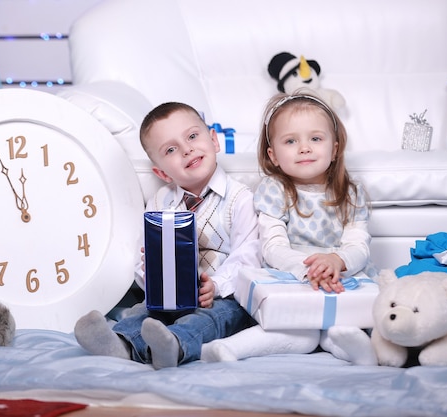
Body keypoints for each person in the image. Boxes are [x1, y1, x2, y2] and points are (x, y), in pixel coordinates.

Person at [74, 102, 261, 369]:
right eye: (171, 149)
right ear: (161, 172)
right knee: (144, 311)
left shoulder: (239, 199)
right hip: (171, 296)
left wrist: (216, 286)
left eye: (193, 136)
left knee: (209, 319)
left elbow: (248, 256)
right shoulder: (160, 202)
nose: (187, 149)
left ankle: (174, 344)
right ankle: (121, 343)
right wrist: (151, 272)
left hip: (222, 299)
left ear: (214, 141)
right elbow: (143, 259)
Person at [202, 90, 377, 365]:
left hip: (340, 278)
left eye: (315, 139)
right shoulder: (274, 191)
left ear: (334, 149)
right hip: (294, 279)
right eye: (291, 141)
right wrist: (310, 268)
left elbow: (358, 244)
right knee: (302, 334)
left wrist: (336, 261)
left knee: (342, 323)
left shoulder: (350, 194)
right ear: (273, 155)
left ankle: (354, 347)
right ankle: (229, 349)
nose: (304, 147)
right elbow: (273, 247)